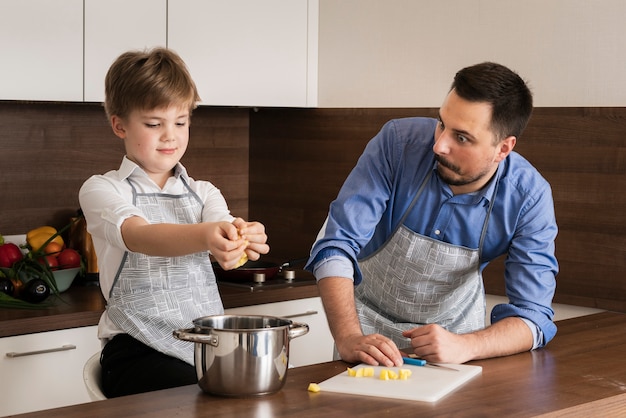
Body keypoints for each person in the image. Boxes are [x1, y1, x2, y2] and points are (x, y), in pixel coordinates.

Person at [305, 62, 558, 368]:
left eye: (462, 138)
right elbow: (335, 246)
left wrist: (465, 346)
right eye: (441, 123)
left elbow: (532, 318)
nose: (439, 145)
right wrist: (347, 337)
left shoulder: (529, 197)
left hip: (457, 350)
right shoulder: (397, 144)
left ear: (502, 149)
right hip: (365, 338)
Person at [79, 47, 269, 397]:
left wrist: (239, 240)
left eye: (181, 122)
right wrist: (208, 235)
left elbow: (221, 234)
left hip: (206, 348)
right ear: (119, 124)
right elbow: (138, 235)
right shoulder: (103, 189)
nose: (171, 135)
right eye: (154, 124)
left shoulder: (204, 193)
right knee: (199, 400)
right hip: (137, 349)